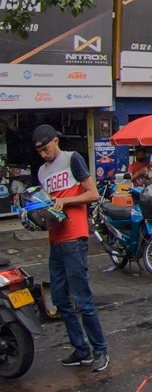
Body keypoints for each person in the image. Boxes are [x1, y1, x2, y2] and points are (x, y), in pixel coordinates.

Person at [33, 124, 109, 372]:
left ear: (56, 141)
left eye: (45, 148)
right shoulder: (42, 172)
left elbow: (93, 194)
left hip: (75, 238)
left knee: (82, 300)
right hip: (55, 240)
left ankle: (100, 350)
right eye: (39, 151)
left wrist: (65, 200)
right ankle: (81, 350)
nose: (43, 154)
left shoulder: (72, 159)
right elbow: (48, 205)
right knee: (59, 300)